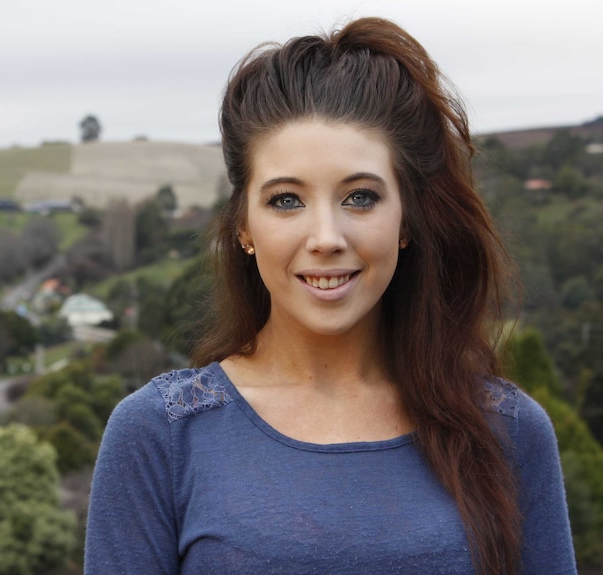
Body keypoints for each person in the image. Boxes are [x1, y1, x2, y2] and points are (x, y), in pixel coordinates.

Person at [84, 17, 576, 575]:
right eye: (287, 200)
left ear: (406, 221)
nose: (326, 238)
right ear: (243, 226)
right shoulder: (160, 434)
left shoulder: (508, 429)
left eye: (361, 197)